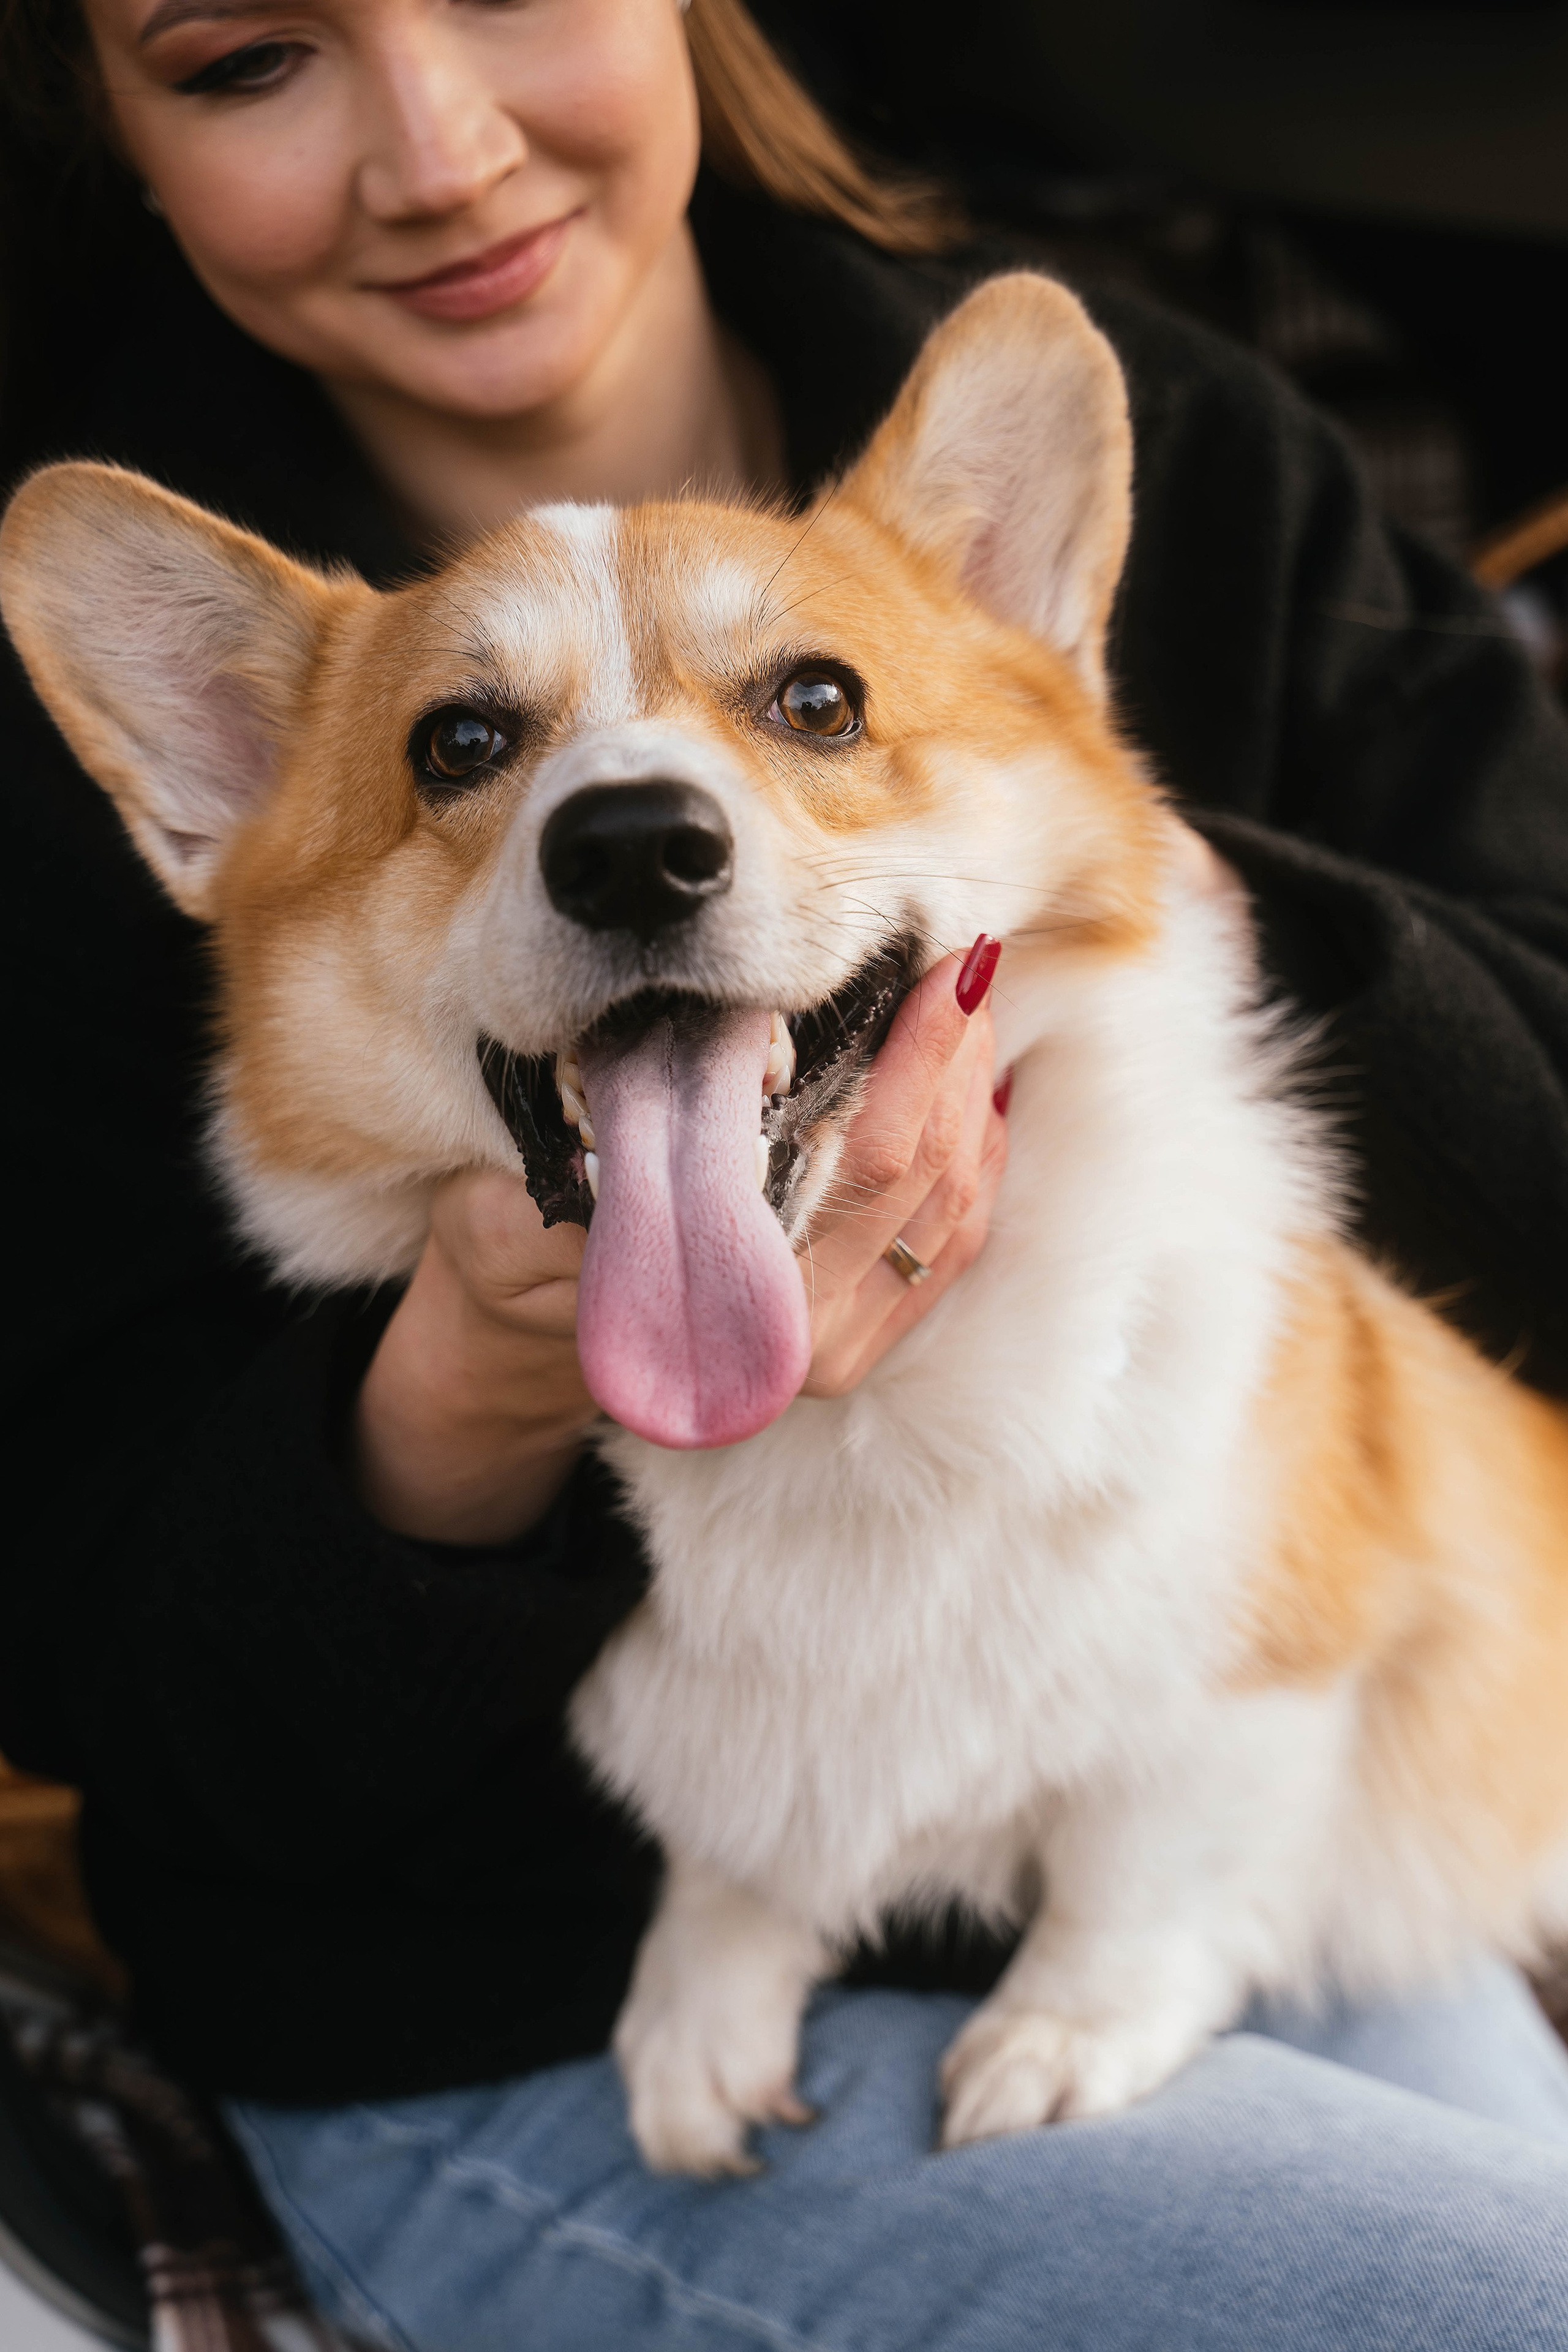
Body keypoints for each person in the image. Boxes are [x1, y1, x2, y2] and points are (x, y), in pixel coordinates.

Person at [3, 0, 1568, 2344]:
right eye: (247, 56)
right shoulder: (88, 777)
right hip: (492, 2009)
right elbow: (105, 1686)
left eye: (813, 702)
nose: (438, 150)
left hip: (1210, 1799)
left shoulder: (1195, 448)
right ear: (108, 125)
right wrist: (470, 1387)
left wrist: (1151, 887)